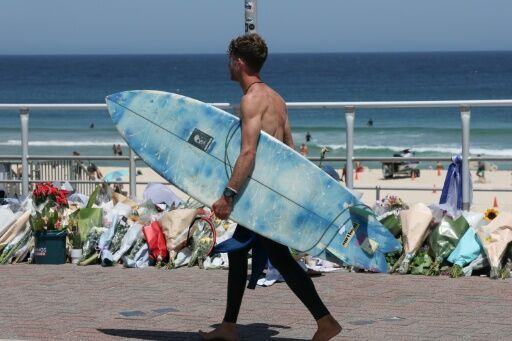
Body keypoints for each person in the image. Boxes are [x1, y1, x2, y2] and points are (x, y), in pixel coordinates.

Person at [199, 33, 341, 341]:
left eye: (230, 60)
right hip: (272, 195)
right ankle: (228, 326)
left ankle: (326, 321)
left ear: (239, 61)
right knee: (259, 256)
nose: (229, 66)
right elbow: (290, 152)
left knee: (275, 258)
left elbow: (248, 152)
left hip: (259, 198)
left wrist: (227, 196)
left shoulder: (251, 100)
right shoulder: (277, 99)